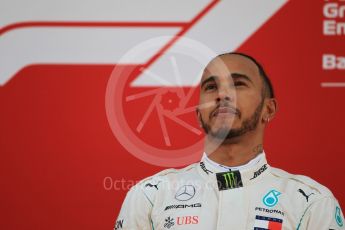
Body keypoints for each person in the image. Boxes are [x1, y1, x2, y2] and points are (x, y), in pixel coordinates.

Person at [114, 52, 344, 230]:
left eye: (238, 84)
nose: (223, 94)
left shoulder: (311, 202)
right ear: (198, 114)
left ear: (269, 108)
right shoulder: (150, 195)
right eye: (211, 86)